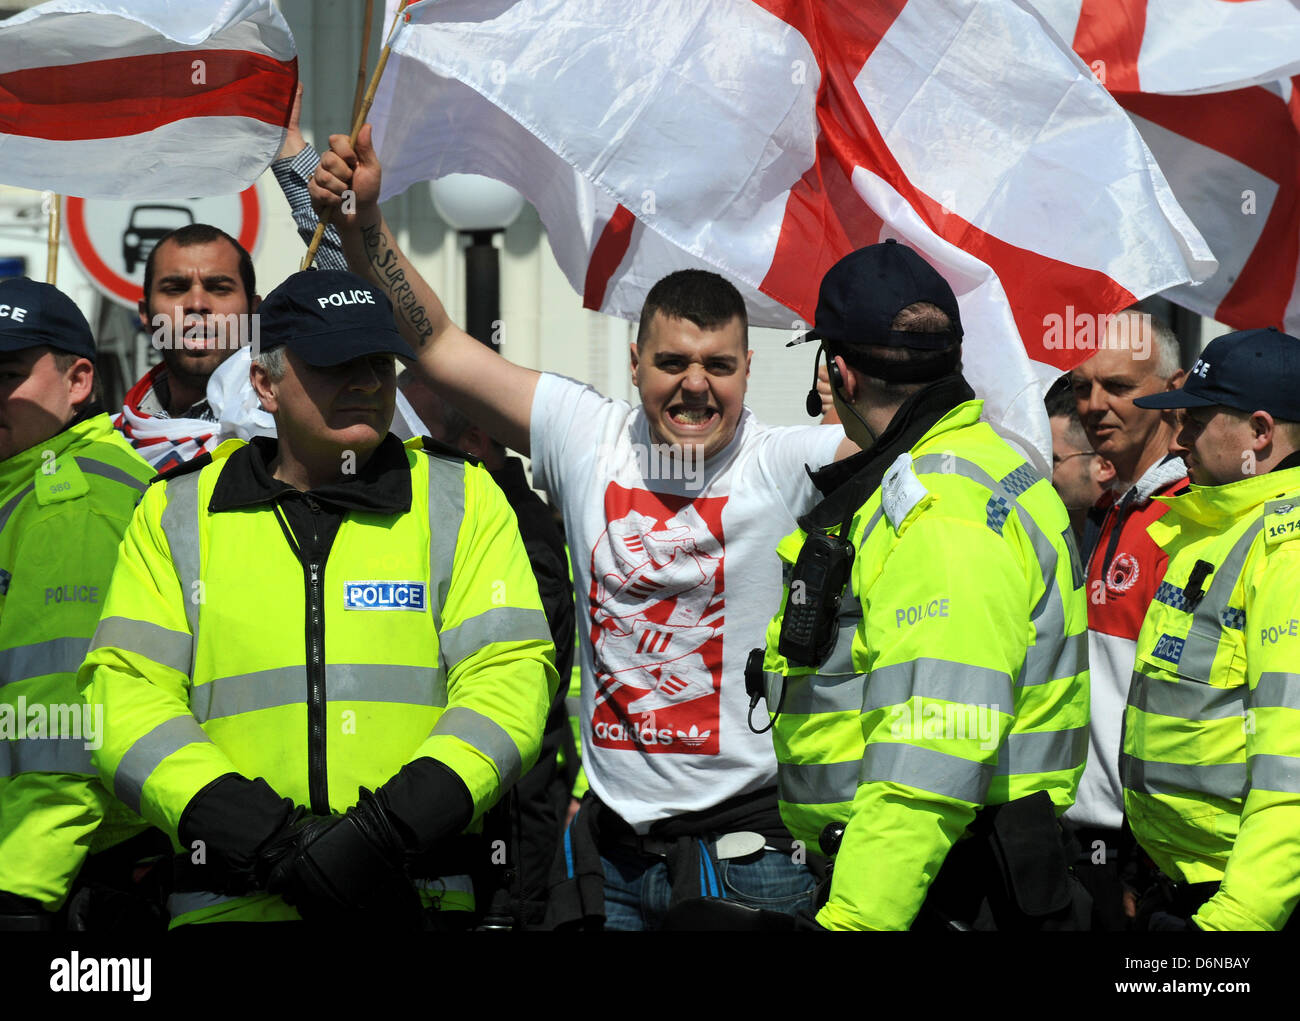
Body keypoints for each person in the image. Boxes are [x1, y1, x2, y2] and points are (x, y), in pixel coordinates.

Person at [307, 125, 854, 930]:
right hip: (609, 854)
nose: (696, 386)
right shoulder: (583, 432)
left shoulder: (789, 463)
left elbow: (924, 438)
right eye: (673, 363)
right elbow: (434, 345)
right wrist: (366, 230)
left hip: (751, 855)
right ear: (634, 361)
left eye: (720, 366)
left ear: (747, 370)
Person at [79, 270, 558, 926]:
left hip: (417, 900)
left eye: (378, 362)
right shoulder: (176, 510)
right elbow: (123, 701)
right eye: (336, 363)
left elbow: (510, 681)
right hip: (228, 904)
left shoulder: (463, 498)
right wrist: (273, 841)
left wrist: (384, 833)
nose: (365, 380)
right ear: (264, 383)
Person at [759, 240, 1090, 930]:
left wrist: (853, 919)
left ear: (840, 375)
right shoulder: (983, 465)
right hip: (955, 872)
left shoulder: (941, 508)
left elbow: (930, 755)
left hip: (940, 888)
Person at [1122, 327, 1300, 931]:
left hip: (1242, 904)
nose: (1180, 437)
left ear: (1260, 432)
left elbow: (1292, 773)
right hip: (1180, 885)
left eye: (1199, 419)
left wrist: (1228, 929)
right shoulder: (1218, 526)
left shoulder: (1287, 553)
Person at [0, 279, 156, 930]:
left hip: (65, 874)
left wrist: (20, 894)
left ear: (80, 380)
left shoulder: (67, 501)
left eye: (7, 373)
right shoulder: (30, 480)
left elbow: (59, 732)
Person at [400, 369, 577, 928]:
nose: (400, 459)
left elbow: (507, 704)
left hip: (505, 848)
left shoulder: (514, 536)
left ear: (474, 443)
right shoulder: (460, 520)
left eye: (417, 442)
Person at [1063, 310, 1187, 929]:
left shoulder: (1190, 520)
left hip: (1143, 851)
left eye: (1117, 386)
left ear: (1174, 388)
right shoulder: (1118, 507)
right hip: (1087, 840)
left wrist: (1145, 862)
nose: (1094, 404)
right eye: (1084, 386)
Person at [1045, 380, 1114, 558]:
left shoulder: (1130, 542)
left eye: (1053, 460)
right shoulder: (1049, 536)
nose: (1043, 472)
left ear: (1104, 467)